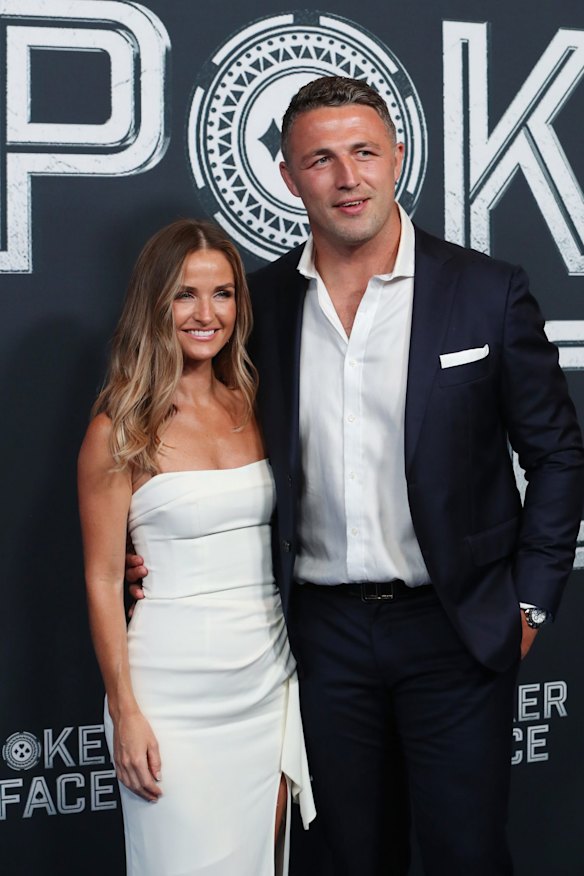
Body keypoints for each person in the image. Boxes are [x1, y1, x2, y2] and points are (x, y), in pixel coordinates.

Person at [127, 77, 584, 875]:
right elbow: (202, 441)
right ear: (288, 176)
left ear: (398, 156)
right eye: (321, 160)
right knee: (345, 856)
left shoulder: (485, 291)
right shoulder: (258, 304)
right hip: (318, 637)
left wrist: (528, 603)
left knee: (466, 855)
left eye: (365, 152)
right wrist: (158, 553)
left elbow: (558, 456)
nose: (348, 178)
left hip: (456, 625)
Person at [78, 218, 315, 876]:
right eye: (185, 294)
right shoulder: (119, 426)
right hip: (170, 694)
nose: (206, 314)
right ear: (155, 304)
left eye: (223, 294)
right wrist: (125, 710)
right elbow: (102, 580)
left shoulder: (256, 405)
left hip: (268, 680)